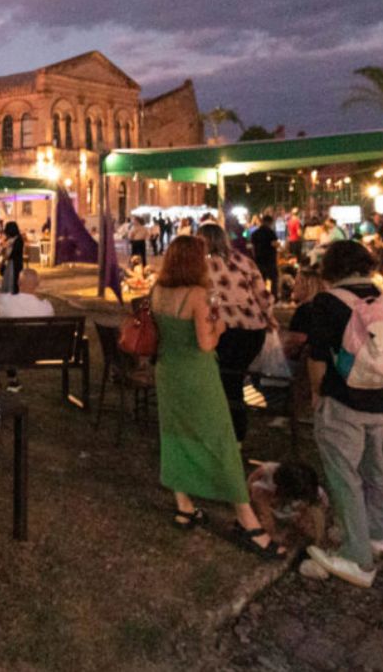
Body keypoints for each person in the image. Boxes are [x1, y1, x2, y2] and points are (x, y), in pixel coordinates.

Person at [150, 236, 283, 560]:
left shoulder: (157, 291)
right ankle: (247, 522)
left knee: (176, 435)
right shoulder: (199, 295)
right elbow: (206, 343)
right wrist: (220, 324)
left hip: (168, 372)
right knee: (219, 439)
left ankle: (184, 506)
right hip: (197, 374)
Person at [302, 241, 383, 588]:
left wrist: (317, 392)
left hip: (343, 399)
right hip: (381, 399)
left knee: (344, 475)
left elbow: (318, 355)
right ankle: (377, 535)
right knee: (375, 468)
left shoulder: (327, 302)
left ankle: (355, 557)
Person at [199, 223, 275, 443]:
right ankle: (233, 432)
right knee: (234, 379)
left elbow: (203, 299)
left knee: (227, 382)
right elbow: (264, 297)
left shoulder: (202, 265)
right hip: (253, 330)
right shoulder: (244, 261)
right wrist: (268, 318)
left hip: (225, 330)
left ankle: (231, 434)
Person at [246, 461, 330, 554]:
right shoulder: (267, 475)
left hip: (292, 511)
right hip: (270, 505)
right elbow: (251, 484)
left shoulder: (315, 495)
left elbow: (319, 511)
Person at [0, 268, 53, 392]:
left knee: (5, 335)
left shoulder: (6, 301)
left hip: (12, 351)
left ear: (18, 283)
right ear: (37, 285)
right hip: (38, 352)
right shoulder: (46, 307)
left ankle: (12, 378)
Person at [251, 214, 280, 294]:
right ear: (269, 222)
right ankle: (274, 295)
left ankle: (261, 295)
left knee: (261, 279)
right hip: (270, 259)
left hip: (259, 259)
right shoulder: (271, 232)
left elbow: (252, 247)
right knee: (273, 279)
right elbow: (274, 244)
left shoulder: (255, 233)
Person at [0, 221, 26, 295]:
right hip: (10, 263)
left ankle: (14, 295)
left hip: (15, 264)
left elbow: (13, 253)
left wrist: (5, 255)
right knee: (9, 280)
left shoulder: (18, 240)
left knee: (14, 281)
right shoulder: (10, 240)